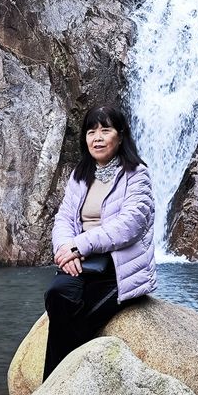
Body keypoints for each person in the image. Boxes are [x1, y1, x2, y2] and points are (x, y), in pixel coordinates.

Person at [43, 103, 156, 380]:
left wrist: (78, 246)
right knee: (57, 294)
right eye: (91, 131)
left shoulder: (137, 174)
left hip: (119, 268)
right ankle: (63, 387)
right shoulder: (80, 176)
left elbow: (128, 225)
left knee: (77, 316)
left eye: (105, 130)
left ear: (120, 135)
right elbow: (64, 219)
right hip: (82, 262)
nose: (97, 137)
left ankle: (54, 386)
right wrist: (64, 250)